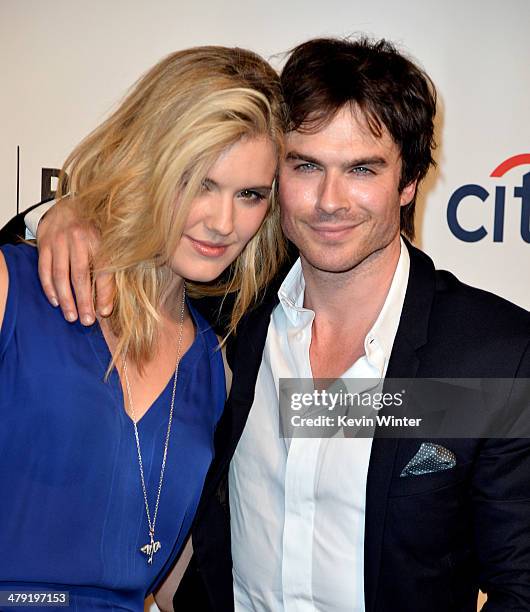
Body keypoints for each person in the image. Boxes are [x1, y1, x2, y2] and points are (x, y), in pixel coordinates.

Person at [3, 37, 530, 612]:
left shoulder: (492, 357)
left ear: (407, 184)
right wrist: (63, 213)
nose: (330, 201)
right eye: (306, 165)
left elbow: (520, 586)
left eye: (361, 169)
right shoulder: (228, 320)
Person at [0, 45, 287, 611]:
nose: (223, 223)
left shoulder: (217, 367)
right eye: (198, 182)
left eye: (249, 195)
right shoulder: (16, 293)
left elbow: (180, 575)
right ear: (148, 162)